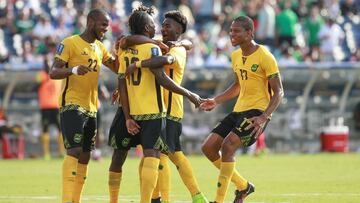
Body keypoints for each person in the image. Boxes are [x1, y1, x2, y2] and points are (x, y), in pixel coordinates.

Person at [107, 5, 202, 203]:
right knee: (157, 156)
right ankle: (160, 199)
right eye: (160, 25)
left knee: (169, 155)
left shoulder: (174, 49)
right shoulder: (154, 45)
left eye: (167, 26)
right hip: (153, 108)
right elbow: (130, 43)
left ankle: (190, 196)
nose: (162, 29)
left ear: (178, 30)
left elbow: (175, 51)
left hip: (161, 108)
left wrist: (137, 64)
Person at [200, 16, 283, 203]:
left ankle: (218, 201)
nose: (232, 34)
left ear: (249, 33)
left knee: (228, 146)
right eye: (231, 30)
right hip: (239, 110)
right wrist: (216, 100)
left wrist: (264, 117)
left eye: (237, 31)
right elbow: (237, 86)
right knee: (208, 148)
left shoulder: (265, 56)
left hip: (257, 112)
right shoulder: (236, 56)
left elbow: (279, 91)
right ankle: (244, 186)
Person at [49, 9, 118, 203]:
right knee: (74, 150)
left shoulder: (100, 47)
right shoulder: (69, 43)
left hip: (91, 107)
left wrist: (125, 49)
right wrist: (73, 70)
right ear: (91, 22)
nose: (106, 29)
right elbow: (53, 72)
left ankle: (75, 200)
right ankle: (66, 200)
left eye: (108, 25)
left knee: (86, 155)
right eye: (103, 24)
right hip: (72, 103)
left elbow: (118, 67)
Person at [37, 40, 64, 160]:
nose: (48, 65)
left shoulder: (57, 76)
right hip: (45, 106)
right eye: (46, 63)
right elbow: (36, 86)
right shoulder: (42, 75)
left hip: (56, 106)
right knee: (45, 129)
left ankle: (61, 151)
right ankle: (46, 153)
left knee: (60, 130)